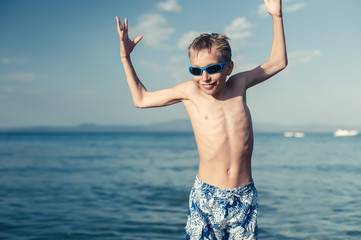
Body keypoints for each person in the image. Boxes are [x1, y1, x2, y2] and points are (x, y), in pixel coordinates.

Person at [116, 0, 287, 239]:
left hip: (244, 196)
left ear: (229, 67)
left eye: (212, 68)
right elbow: (141, 99)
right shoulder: (190, 92)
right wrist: (126, 57)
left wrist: (276, 16)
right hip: (206, 196)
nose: (204, 77)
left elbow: (278, 62)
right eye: (196, 70)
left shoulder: (239, 84)